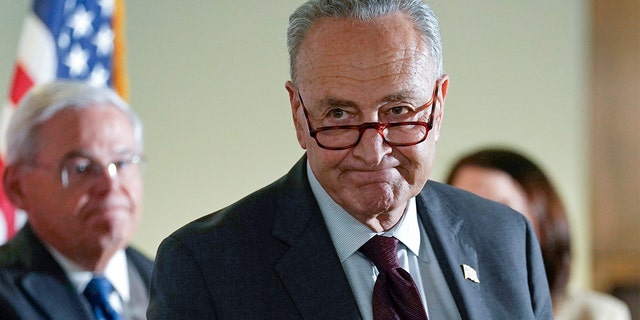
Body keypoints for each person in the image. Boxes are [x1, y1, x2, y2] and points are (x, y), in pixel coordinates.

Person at [148, 1, 553, 319]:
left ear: (439, 104)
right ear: (298, 113)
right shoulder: (206, 266)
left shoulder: (504, 238)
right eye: (339, 115)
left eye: (398, 112)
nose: (372, 151)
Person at [0, 81, 153, 319]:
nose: (111, 185)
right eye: (81, 168)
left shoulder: (177, 284)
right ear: (17, 187)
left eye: (122, 163)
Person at [446, 147, 632, 320]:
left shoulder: (597, 314)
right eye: (464, 211)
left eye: (501, 211)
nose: (481, 228)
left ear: (544, 223)